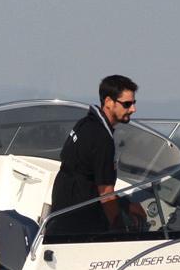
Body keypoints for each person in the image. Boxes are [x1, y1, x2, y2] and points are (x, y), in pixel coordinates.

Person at [50, 74, 141, 236]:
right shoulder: (102, 139)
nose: (133, 109)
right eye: (127, 104)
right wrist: (118, 228)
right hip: (79, 216)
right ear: (108, 102)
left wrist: (125, 205)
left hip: (64, 202)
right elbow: (106, 193)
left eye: (133, 103)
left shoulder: (85, 123)